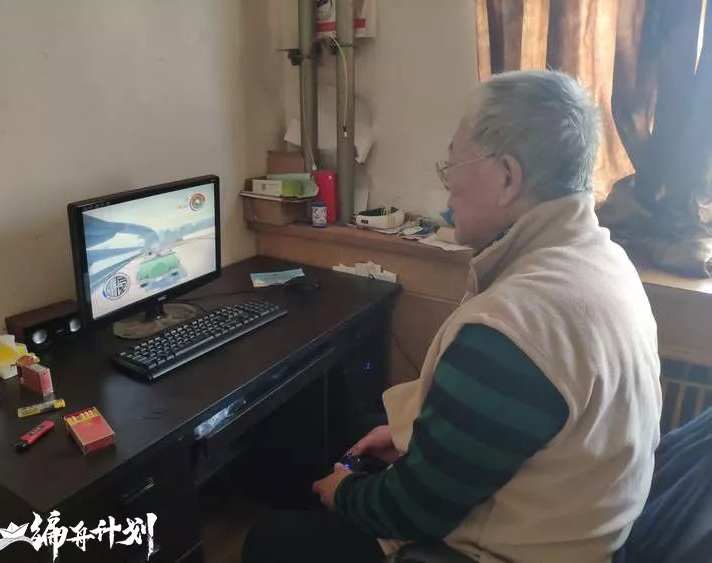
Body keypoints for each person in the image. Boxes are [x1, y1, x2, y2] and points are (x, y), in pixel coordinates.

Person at [242, 69, 663, 563]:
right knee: (360, 434)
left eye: (453, 167)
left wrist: (343, 493)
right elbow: (500, 432)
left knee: (270, 540)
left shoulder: (513, 328)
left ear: (507, 177)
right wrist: (408, 439)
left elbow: (412, 513)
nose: (447, 193)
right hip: (579, 529)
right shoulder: (607, 263)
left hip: (493, 552)